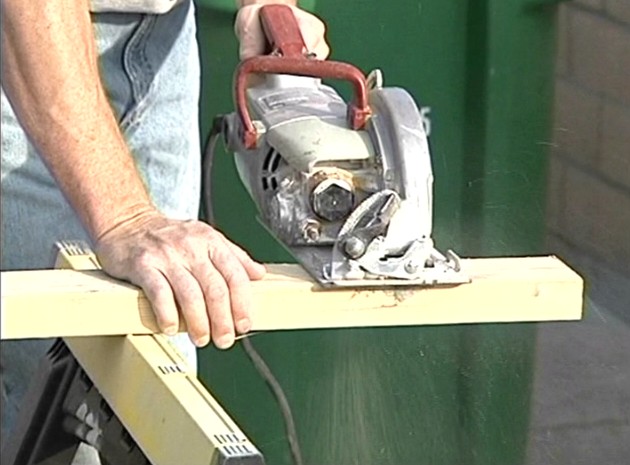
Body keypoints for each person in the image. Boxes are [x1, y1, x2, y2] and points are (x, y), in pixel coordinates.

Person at [0, 0, 329, 460]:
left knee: (158, 381)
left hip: (164, 36)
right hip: (31, 34)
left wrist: (266, 7)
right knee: (48, 401)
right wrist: (126, 218)